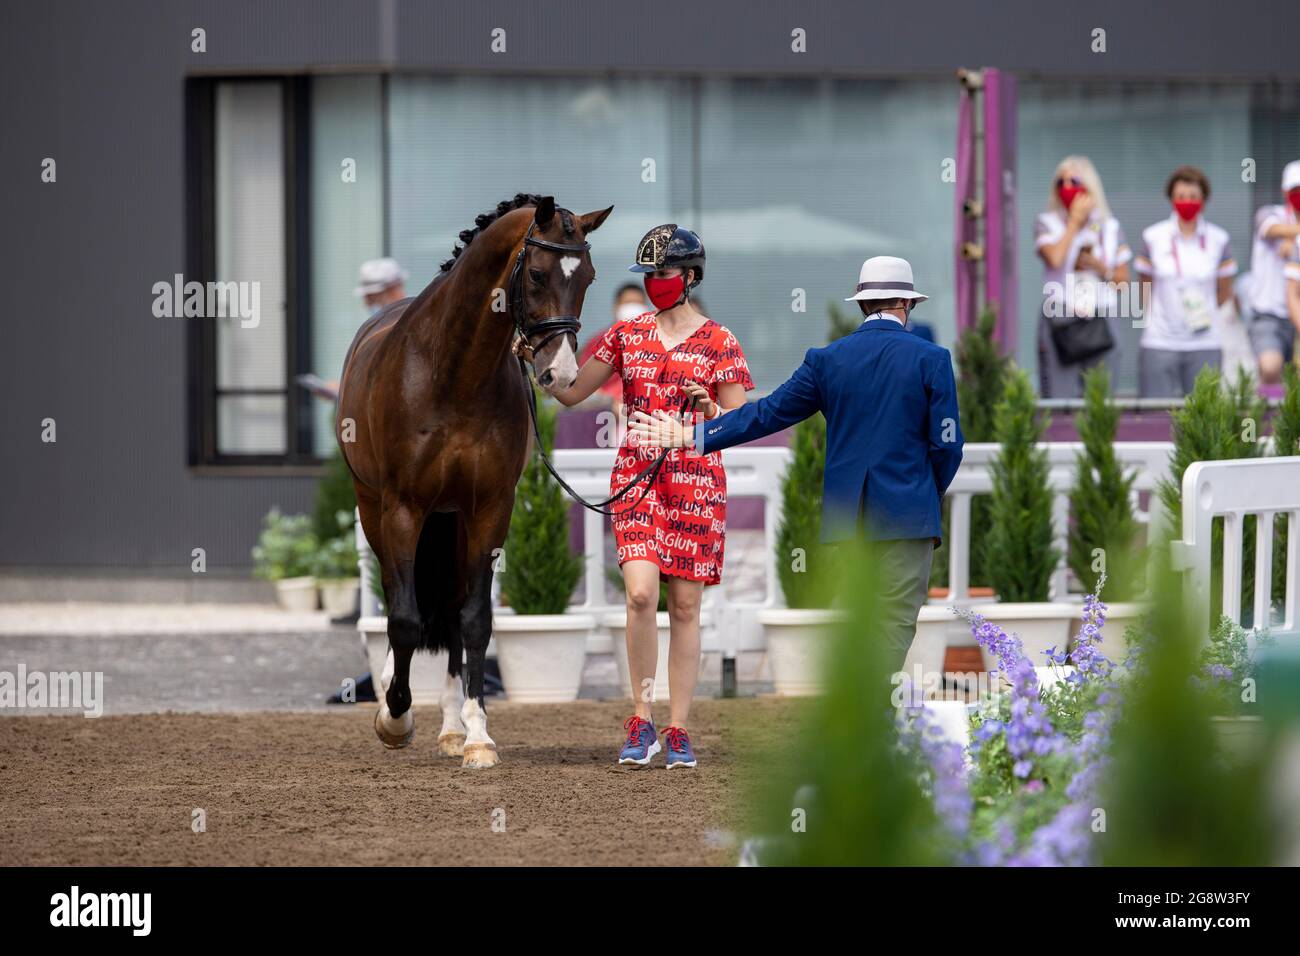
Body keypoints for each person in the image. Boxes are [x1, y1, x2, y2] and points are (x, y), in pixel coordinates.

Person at [629, 255, 963, 675]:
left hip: (849, 519)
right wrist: (926, 495)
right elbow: (948, 445)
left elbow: (766, 414)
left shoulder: (827, 361)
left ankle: (859, 723)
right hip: (909, 515)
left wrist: (696, 436)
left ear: (862, 304)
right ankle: (878, 726)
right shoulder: (932, 359)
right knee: (894, 625)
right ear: (907, 304)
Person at [542, 224, 754, 769]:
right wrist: (531, 356)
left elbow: (741, 420)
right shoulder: (625, 336)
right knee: (640, 596)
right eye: (650, 274)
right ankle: (642, 716)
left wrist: (708, 408)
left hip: (697, 482)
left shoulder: (721, 341)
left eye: (663, 273)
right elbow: (570, 392)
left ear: (689, 277)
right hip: (637, 477)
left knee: (685, 606)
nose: (655, 282)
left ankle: (679, 726)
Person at [1134, 166, 1238, 397]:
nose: (1186, 202)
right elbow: (1143, 287)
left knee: (1202, 417)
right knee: (1156, 417)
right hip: (1160, 341)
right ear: (1171, 198)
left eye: (1193, 197)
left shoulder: (1218, 239)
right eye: (1180, 196)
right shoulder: (1153, 236)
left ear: (1204, 199)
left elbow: (1224, 291)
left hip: (1204, 341)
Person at [1035, 156, 1132, 397]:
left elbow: (1123, 284)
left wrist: (1100, 267)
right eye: (1061, 182)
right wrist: (1075, 223)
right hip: (1061, 317)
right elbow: (1055, 259)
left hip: (1101, 316)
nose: (1067, 187)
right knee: (1060, 400)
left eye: (1074, 181)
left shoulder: (1110, 226)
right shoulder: (1046, 223)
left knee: (1101, 401)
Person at [1247, 161, 1300, 385]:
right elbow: (1270, 229)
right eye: (1296, 190)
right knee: (1271, 368)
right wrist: (1292, 234)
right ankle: (1266, 418)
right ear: (1284, 191)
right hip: (1268, 315)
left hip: (1296, 316)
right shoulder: (1269, 214)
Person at [578, 283, 649, 414]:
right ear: (616, 307)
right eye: (628, 303)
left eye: (638, 303)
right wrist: (609, 402)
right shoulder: (599, 343)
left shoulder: (655, 343)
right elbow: (582, 386)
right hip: (604, 417)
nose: (633, 308)